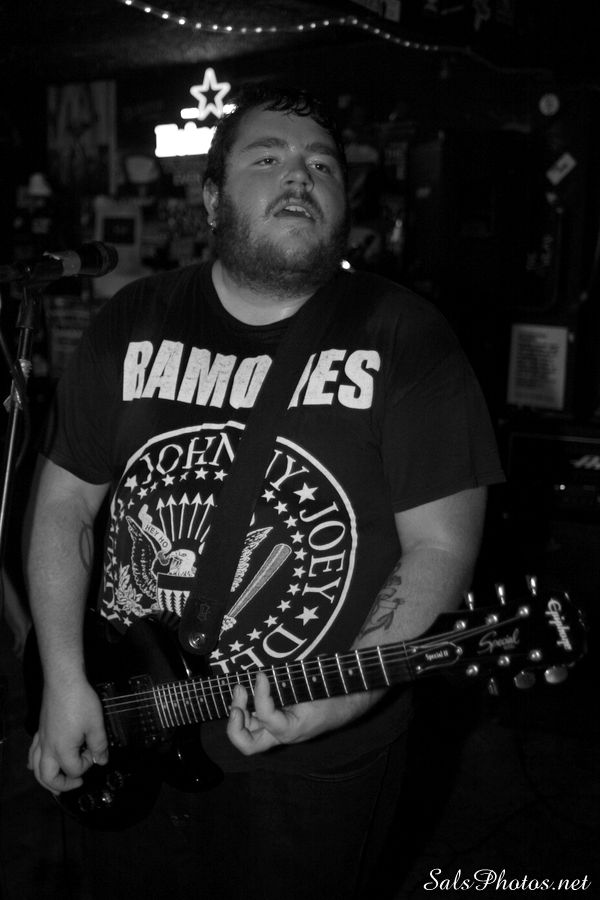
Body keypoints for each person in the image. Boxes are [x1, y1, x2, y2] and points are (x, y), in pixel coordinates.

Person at [24, 84, 504, 899]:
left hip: (313, 762)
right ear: (212, 198)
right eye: (268, 158)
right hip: (123, 715)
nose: (299, 176)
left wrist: (340, 700)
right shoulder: (134, 320)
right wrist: (65, 680)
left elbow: (441, 546)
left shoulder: (405, 337)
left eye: (322, 165)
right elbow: (65, 504)